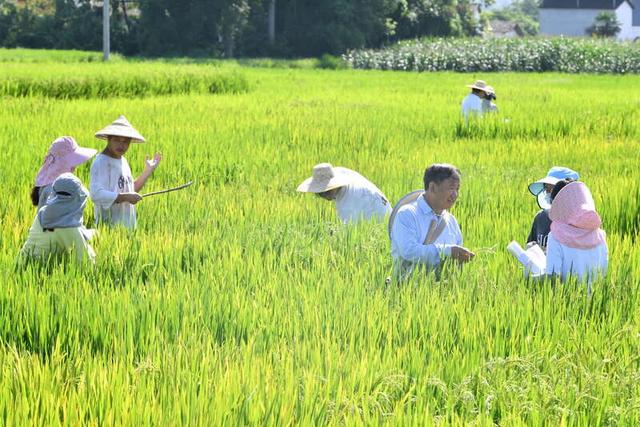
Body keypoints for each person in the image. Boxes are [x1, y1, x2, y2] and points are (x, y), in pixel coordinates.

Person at [390, 164, 475, 280]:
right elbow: (408, 250)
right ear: (433, 187)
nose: (455, 194)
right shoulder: (407, 214)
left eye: (457, 189)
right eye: (451, 188)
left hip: (443, 291)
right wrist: (447, 252)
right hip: (406, 289)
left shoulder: (451, 222)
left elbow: (456, 265)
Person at [90, 115, 162, 230]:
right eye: (117, 140)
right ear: (109, 138)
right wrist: (126, 197)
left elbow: (129, 190)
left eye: (126, 142)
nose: (121, 145)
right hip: (109, 228)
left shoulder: (123, 160)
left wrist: (147, 172)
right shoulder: (101, 162)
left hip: (127, 228)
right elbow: (96, 194)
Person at [20, 173, 96, 265]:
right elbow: (85, 262)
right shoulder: (70, 229)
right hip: (42, 270)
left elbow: (54, 233)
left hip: (22, 263)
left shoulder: (43, 213)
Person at [546, 179, 608, 286]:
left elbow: (553, 277)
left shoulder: (556, 236)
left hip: (566, 300)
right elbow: (604, 272)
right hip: (596, 300)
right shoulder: (599, 235)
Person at [297, 163, 391, 223]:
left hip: (382, 223)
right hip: (385, 212)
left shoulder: (347, 204)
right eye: (320, 193)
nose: (325, 196)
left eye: (327, 191)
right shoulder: (347, 179)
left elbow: (348, 237)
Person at [31, 136, 97, 209]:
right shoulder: (55, 189)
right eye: (71, 162)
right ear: (60, 164)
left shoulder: (56, 184)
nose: (74, 167)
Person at [526, 166, 580, 251]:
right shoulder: (541, 218)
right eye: (546, 188)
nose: (548, 193)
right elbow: (531, 247)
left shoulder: (582, 221)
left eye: (553, 188)